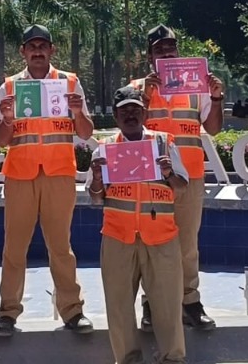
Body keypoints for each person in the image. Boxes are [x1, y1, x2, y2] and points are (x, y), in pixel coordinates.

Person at [0, 24, 95, 336]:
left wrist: (78, 112)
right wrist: (8, 119)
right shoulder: (8, 87)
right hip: (20, 175)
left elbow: (86, 133)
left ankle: (72, 311)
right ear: (23, 52)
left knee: (61, 247)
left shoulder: (69, 83)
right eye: (31, 46)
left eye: (43, 45)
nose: (37, 51)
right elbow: (1, 138)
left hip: (58, 174)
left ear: (52, 50)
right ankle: (8, 313)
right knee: (14, 248)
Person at [130, 24, 224, 331]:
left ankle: (190, 303)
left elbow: (213, 128)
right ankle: (150, 304)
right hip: (151, 178)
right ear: (149, 56)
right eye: (159, 50)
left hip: (190, 175)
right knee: (151, 242)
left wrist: (217, 96)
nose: (166, 53)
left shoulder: (197, 85)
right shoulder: (136, 88)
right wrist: (145, 93)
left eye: (171, 48)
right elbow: (132, 126)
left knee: (187, 244)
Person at [87, 86, 189, 364]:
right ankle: (128, 360)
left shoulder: (164, 143)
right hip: (118, 238)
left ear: (144, 113)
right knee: (119, 308)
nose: (130, 115)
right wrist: (97, 177)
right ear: (116, 115)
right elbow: (95, 198)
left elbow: (182, 188)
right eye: (124, 111)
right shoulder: (105, 148)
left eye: (135, 109)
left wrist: (168, 172)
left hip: (161, 238)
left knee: (168, 307)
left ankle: (173, 359)